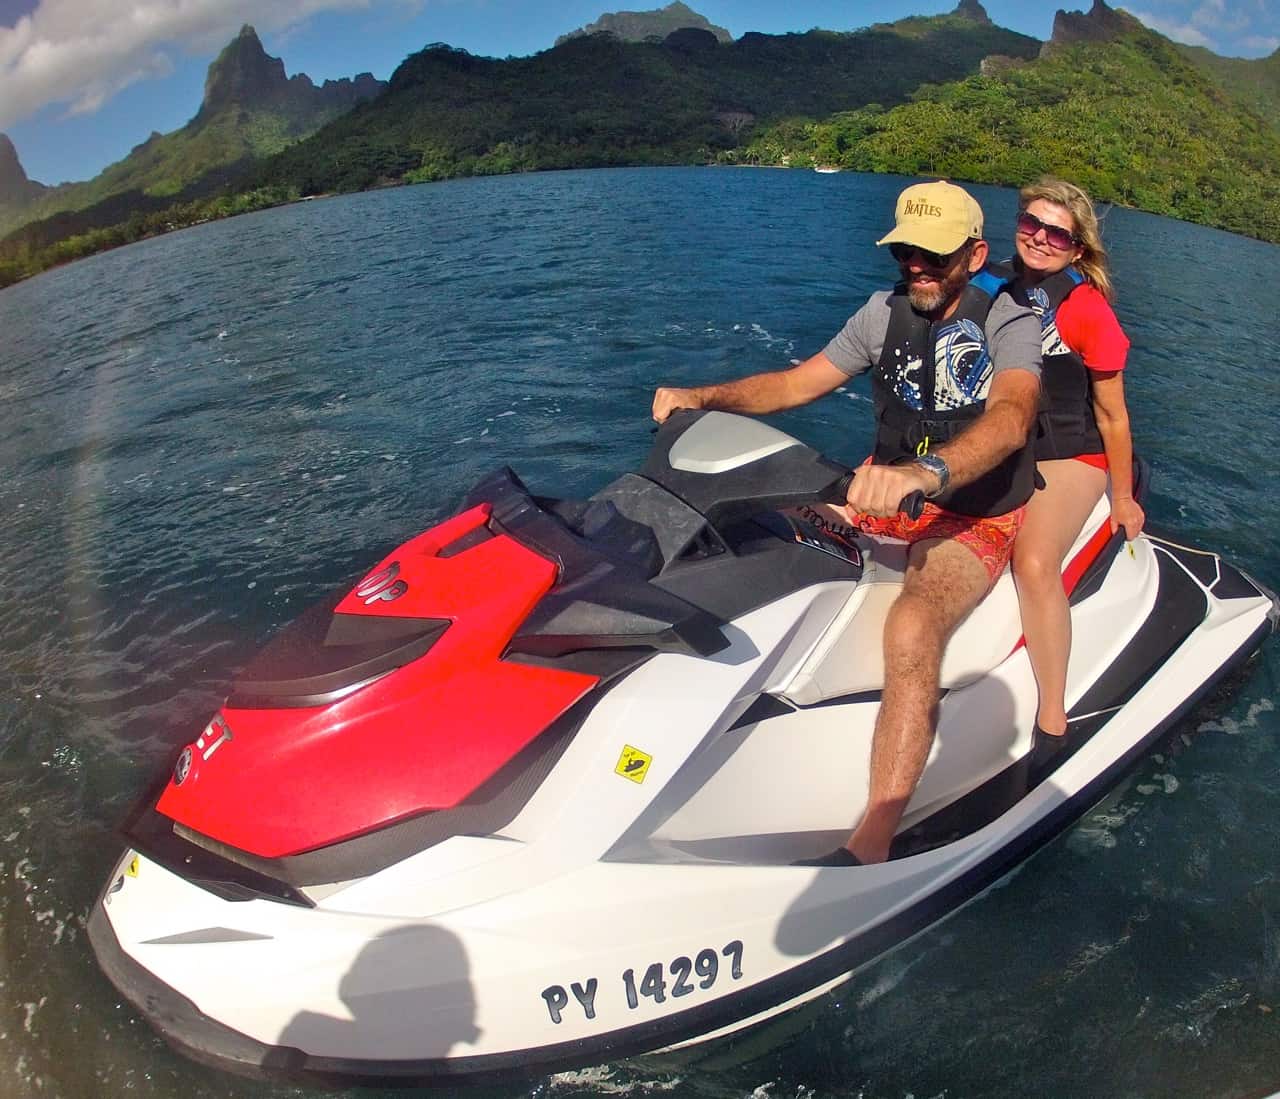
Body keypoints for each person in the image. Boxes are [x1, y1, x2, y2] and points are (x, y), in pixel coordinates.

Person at [652, 180, 1042, 865]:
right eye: (905, 252)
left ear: (976, 255)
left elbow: (1011, 418)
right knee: (739, 528)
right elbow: (796, 383)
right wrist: (701, 397)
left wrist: (928, 473)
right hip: (883, 494)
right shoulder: (881, 313)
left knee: (913, 626)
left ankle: (873, 838)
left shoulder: (1009, 321)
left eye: (935, 254)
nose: (917, 266)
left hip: (969, 513)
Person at [1003, 177, 1144, 740]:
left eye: (1057, 234)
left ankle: (1054, 709)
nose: (1040, 238)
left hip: (1069, 450)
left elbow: (1113, 416)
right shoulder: (991, 286)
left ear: (1077, 249)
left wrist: (1123, 496)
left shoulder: (1086, 311)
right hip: (1006, 438)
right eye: (1031, 223)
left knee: (1034, 561)